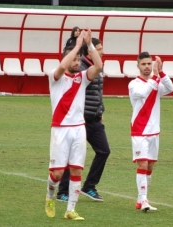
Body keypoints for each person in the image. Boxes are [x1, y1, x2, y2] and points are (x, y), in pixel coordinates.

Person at [45, 28, 102, 221]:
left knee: (77, 169)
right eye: (74, 60)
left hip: (79, 128)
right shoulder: (55, 76)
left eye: (79, 60)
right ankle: (50, 196)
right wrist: (78, 44)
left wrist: (90, 45)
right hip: (60, 129)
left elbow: (99, 67)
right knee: (58, 173)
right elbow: (62, 66)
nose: (77, 63)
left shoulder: (82, 77)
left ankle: (71, 210)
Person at [56, 38, 110, 202]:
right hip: (79, 119)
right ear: (89, 51)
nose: (101, 51)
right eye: (99, 49)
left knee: (104, 151)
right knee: (71, 157)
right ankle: (62, 191)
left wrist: (100, 109)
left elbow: (97, 91)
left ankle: (89, 186)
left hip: (94, 118)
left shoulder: (97, 66)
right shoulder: (80, 67)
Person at [128, 52, 173, 212]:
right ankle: (144, 200)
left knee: (150, 167)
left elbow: (170, 87)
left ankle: (141, 200)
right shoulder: (134, 84)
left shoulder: (156, 83)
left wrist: (161, 72)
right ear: (138, 66)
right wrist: (155, 78)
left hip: (154, 131)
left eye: (149, 64)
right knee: (143, 163)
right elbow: (142, 93)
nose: (147, 67)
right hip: (139, 130)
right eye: (144, 64)